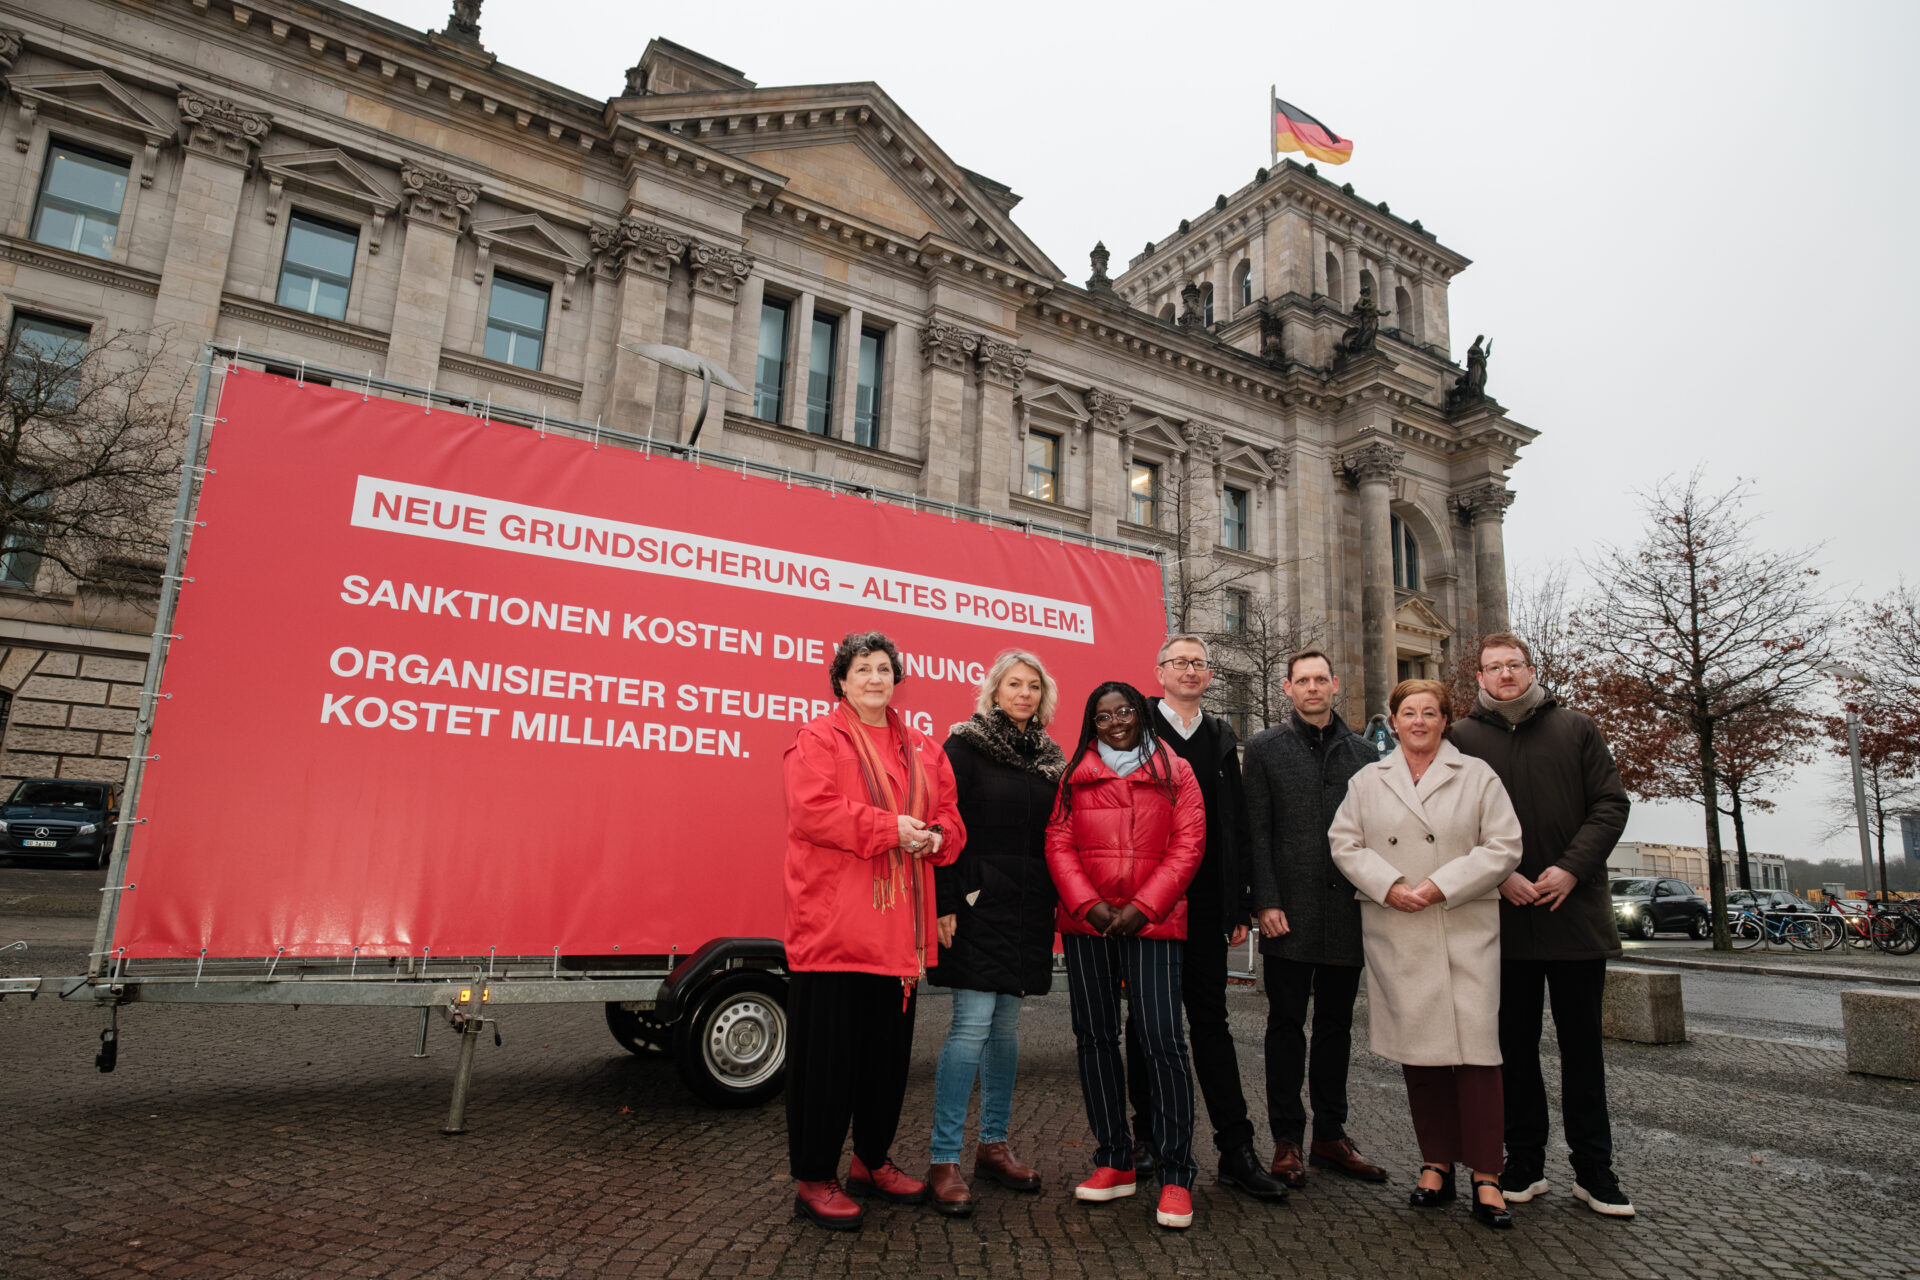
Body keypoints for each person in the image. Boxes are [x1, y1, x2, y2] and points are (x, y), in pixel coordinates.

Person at [781, 630, 965, 1231]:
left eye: (884, 668)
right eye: (862, 669)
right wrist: (893, 830)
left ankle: (870, 1161)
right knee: (826, 1065)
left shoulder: (924, 748)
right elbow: (812, 812)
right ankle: (815, 1176)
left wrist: (936, 837)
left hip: (898, 939)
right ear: (841, 681)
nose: (874, 679)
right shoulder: (818, 737)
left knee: (885, 1062)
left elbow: (952, 822)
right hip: (835, 931)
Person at [1448, 633, 1635, 1218]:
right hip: (1500, 920)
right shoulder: (1461, 739)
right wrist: (1497, 874)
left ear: (1531, 671)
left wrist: (1571, 869)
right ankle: (1523, 1161)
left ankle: (1594, 1171)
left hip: (1572, 916)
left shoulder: (1577, 728)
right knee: (1513, 1051)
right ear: (1478, 677)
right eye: (1492, 667)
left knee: (1584, 1052)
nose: (1504, 674)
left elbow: (1611, 805)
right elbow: (1452, 824)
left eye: (1513, 665)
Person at [1328, 679, 1523, 1229]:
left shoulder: (1477, 775)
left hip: (1462, 925)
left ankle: (1488, 1174)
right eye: (1408, 712)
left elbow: (1505, 845)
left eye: (1429, 712)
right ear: (1393, 721)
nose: (1418, 721)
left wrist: (1441, 885)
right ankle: (1435, 1163)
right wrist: (1388, 884)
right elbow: (1345, 843)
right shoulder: (1369, 779)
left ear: (1445, 720)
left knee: (1479, 1055)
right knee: (1423, 1056)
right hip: (1399, 926)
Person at [1126, 634, 1290, 1201]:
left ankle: (1235, 1150)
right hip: (1149, 905)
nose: (1190, 671)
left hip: (1205, 909)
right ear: (1159, 672)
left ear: (1210, 675)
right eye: (1179, 662)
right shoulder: (1135, 730)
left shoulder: (1221, 737)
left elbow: (1236, 828)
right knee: (1147, 1026)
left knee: (1211, 1026)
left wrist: (1239, 903)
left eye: (1199, 664)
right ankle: (1144, 1138)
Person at [1047, 681, 1206, 1229]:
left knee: (1161, 1040)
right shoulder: (1073, 776)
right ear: (1092, 723)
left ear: (1142, 713)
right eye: (1103, 715)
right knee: (1094, 1040)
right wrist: (1088, 906)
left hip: (1154, 925)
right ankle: (1114, 1160)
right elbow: (1058, 842)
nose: (1115, 721)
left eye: (1125, 711)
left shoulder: (1176, 771)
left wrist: (1144, 906)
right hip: (1087, 925)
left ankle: (1176, 1174)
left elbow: (1189, 844)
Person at [924, 650, 1068, 1216]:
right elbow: (943, 822)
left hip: (1029, 908)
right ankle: (943, 1158)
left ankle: (993, 1146)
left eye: (1033, 685)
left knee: (1006, 1028)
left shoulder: (1050, 759)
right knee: (971, 1026)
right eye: (1014, 683)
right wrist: (947, 900)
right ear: (995, 690)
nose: (1024, 693)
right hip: (979, 903)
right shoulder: (964, 746)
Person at [1243, 649, 1389, 1189]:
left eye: (1320, 679)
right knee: (1285, 1026)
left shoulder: (1364, 754)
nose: (1311, 688)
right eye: (1301, 680)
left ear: (1334, 685)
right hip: (1288, 912)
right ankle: (1286, 1140)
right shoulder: (1263, 748)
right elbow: (1256, 830)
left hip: (1347, 913)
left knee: (1336, 1027)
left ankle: (1331, 1134)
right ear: (1287, 688)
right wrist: (1266, 901)